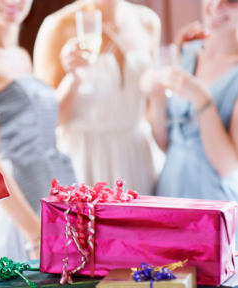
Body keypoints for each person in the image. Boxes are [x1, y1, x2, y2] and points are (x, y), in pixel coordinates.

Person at [0, 0, 76, 261]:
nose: (13, 2)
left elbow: (48, 123)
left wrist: (76, 76)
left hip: (61, 195)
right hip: (25, 205)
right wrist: (35, 232)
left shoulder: (20, 55)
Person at [33, 0, 161, 194]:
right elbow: (48, 121)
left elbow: (151, 107)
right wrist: (74, 79)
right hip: (84, 158)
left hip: (136, 155)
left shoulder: (148, 21)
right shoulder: (58, 26)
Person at [140, 0, 238, 203]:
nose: (217, 5)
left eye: (231, 1)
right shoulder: (185, 53)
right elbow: (165, 142)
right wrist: (156, 97)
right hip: (167, 192)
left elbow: (227, 166)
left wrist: (201, 99)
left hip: (210, 202)